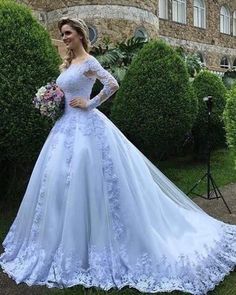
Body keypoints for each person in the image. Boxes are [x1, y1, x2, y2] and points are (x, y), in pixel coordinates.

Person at [0, 17, 236, 295]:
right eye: (62, 34)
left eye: (67, 33)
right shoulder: (67, 64)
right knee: (59, 183)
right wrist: (50, 101)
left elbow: (112, 84)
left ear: (80, 35)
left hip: (86, 128)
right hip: (63, 130)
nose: (63, 38)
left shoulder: (89, 62)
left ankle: (103, 238)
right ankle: (65, 240)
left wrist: (89, 103)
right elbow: (63, 92)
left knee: (91, 179)